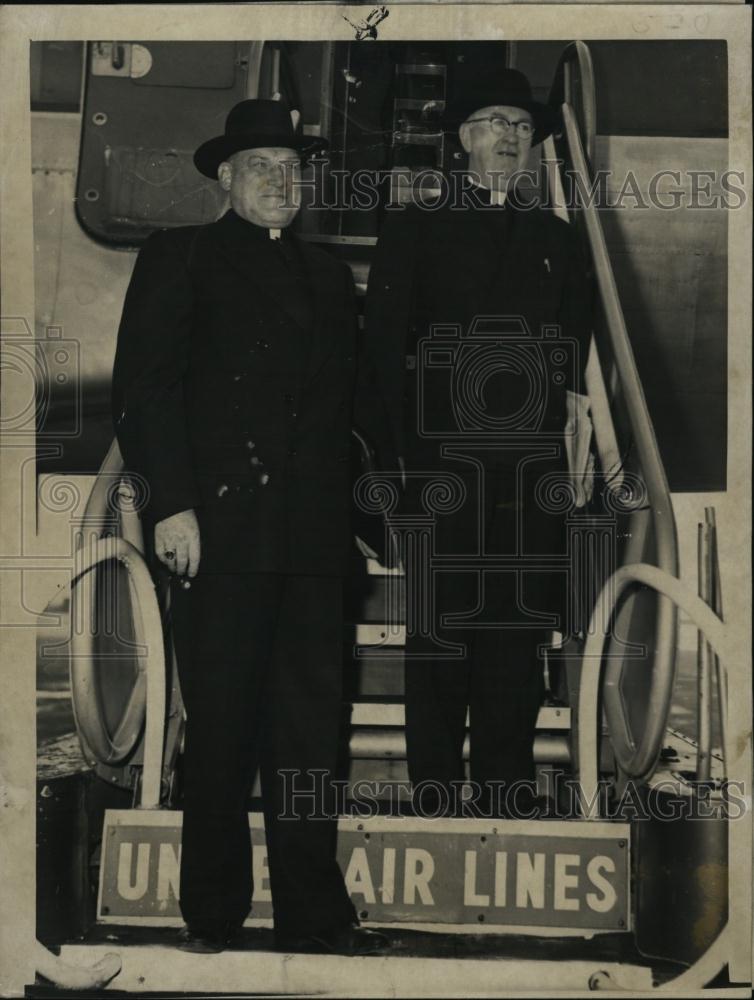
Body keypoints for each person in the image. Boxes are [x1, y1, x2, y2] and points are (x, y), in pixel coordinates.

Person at [112, 99, 387, 955]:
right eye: (261, 166)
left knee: (312, 738)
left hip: (309, 546)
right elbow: (145, 393)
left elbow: (343, 414)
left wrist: (356, 520)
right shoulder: (180, 258)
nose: (281, 180)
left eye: (292, 167)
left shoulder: (328, 276)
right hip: (219, 534)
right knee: (223, 729)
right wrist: (172, 507)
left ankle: (314, 917)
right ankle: (214, 915)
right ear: (225, 179)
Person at [359, 69, 594, 819]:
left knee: (516, 636)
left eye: (520, 127)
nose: (508, 138)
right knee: (440, 638)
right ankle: (433, 795)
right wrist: (399, 471)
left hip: (529, 475)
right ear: (462, 140)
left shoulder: (558, 240)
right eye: (493, 123)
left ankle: (505, 794)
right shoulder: (415, 230)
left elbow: (568, 354)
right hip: (443, 470)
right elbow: (382, 355)